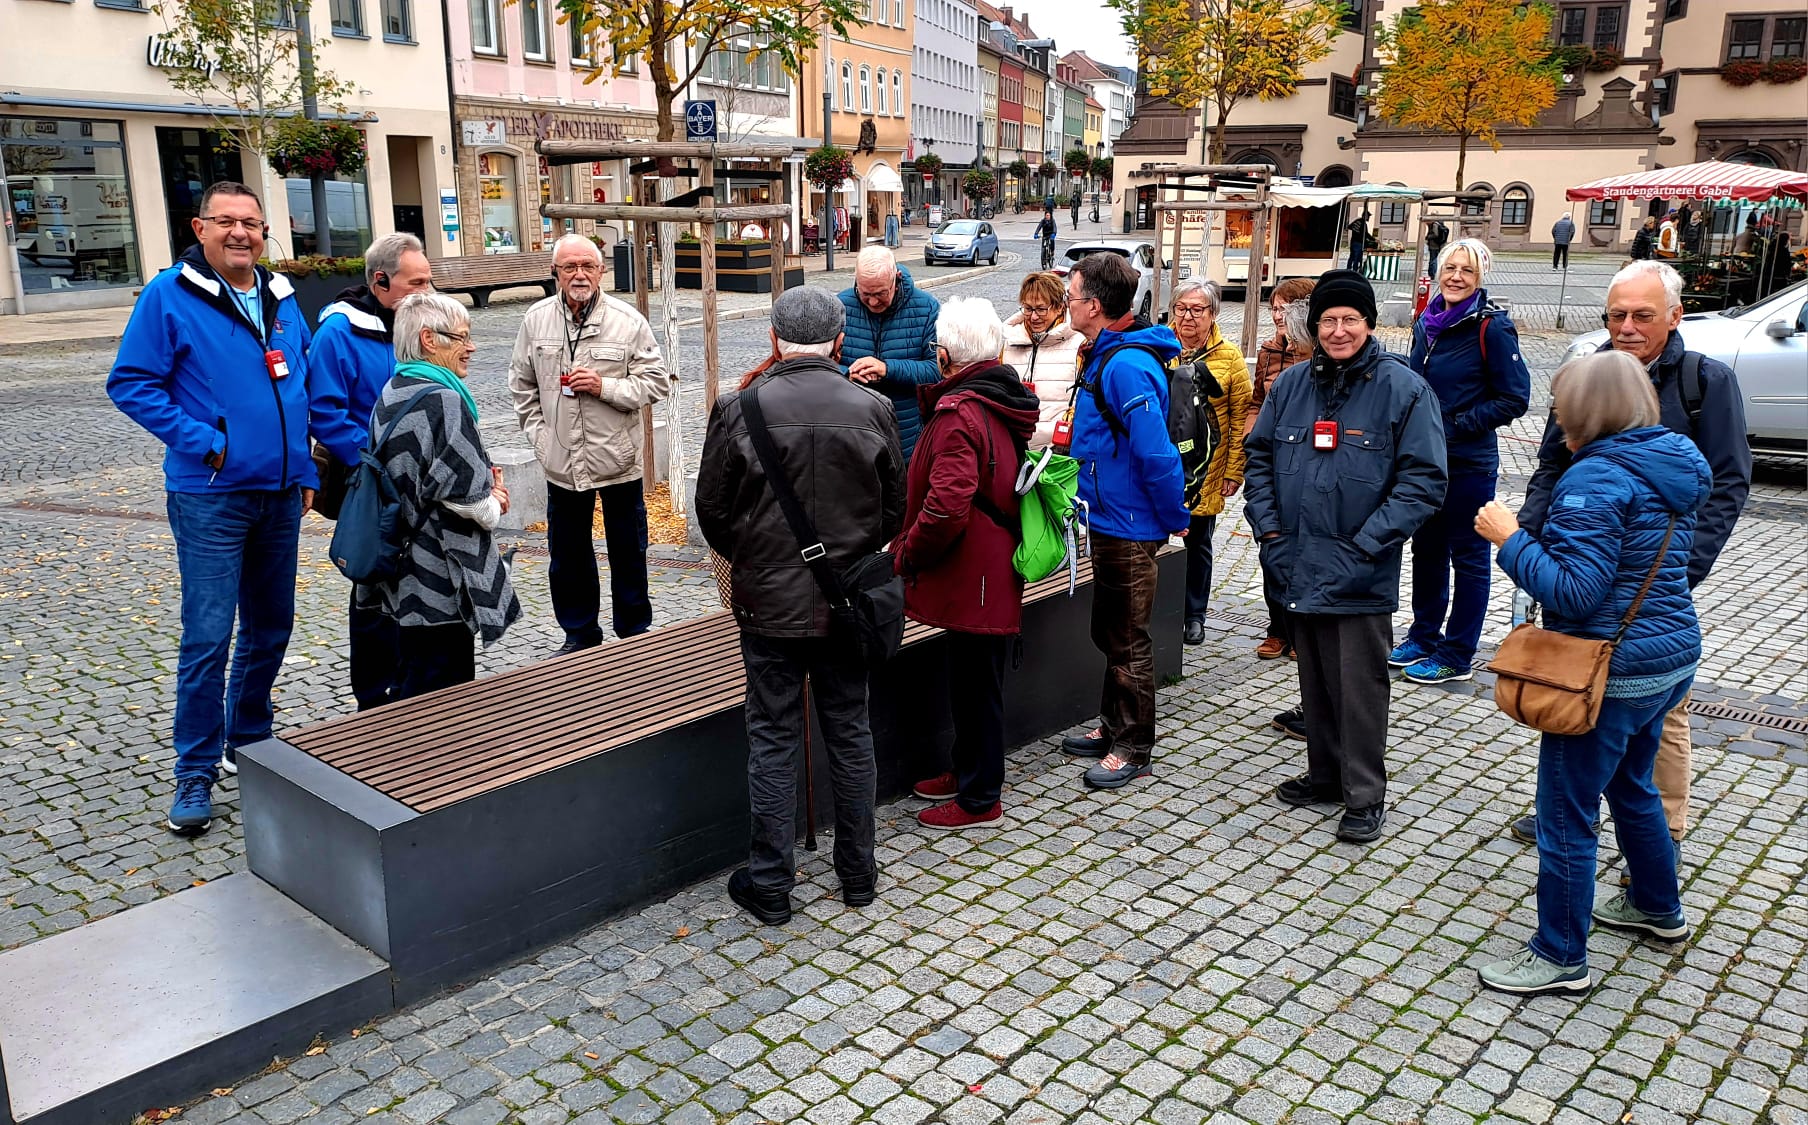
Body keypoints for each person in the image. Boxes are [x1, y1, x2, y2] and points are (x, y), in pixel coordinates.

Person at [1475, 350, 1710, 996]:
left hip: (1609, 673)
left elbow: (1575, 592)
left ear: (1582, 412)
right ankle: (1657, 905)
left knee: (1565, 813)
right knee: (1634, 786)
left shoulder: (1595, 479)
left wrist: (1509, 538)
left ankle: (1560, 953)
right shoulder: (1674, 461)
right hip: (1668, 658)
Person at [1510, 260, 1750, 858]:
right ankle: (1575, 803)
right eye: (1616, 314)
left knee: (1658, 720)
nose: (1627, 327)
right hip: (1585, 571)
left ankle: (1660, 835)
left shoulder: (1704, 381)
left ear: (1675, 316)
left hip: (1652, 588)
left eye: (1642, 315)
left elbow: (1726, 482)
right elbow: (1552, 464)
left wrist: (1683, 569)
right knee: (1577, 691)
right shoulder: (1592, 371)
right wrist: (1533, 539)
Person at [108, 181, 318, 837]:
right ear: (198, 229)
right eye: (225, 221)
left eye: (251, 222)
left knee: (271, 626)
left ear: (264, 232)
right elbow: (131, 383)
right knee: (208, 635)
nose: (240, 233)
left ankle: (248, 738)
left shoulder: (281, 295)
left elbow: (299, 380)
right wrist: (208, 443)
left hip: (279, 493)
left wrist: (305, 465)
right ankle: (194, 770)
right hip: (210, 495)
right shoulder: (168, 296)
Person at [695, 288, 905, 925]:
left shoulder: (738, 408)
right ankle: (858, 874)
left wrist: (758, 559)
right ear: (840, 341)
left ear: (773, 339)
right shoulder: (872, 406)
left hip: (769, 606)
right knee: (850, 732)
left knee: (773, 737)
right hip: (848, 602)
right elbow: (893, 510)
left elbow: (713, 513)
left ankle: (770, 882)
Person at [1243, 269, 1447, 844]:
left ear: (1369, 323)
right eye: (1328, 320)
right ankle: (1326, 775)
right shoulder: (1291, 386)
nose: (1338, 330)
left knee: (1359, 689)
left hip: (1360, 568)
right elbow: (1259, 459)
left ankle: (1364, 794)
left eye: (1349, 319)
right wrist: (1271, 535)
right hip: (1294, 560)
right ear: (1314, 327)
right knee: (1314, 680)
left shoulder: (1404, 390)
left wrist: (1364, 546)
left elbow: (1424, 483)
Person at [897, 298, 1040, 830]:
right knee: (971, 679)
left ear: (944, 355)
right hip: (984, 566)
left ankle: (981, 797)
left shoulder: (961, 413)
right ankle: (966, 770)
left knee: (978, 687)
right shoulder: (991, 396)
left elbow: (947, 506)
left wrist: (907, 552)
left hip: (977, 570)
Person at [1053, 252, 1190, 790]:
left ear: (1094, 305)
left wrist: (1174, 515)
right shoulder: (1107, 353)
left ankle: (1134, 746)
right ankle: (1112, 725)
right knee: (1110, 630)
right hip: (1110, 517)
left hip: (1130, 524)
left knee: (1128, 638)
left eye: (1071, 296)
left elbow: (1156, 453)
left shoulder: (1127, 365)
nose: (1066, 304)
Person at [509, 234, 675, 656]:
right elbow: (522, 386)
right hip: (561, 460)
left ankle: (634, 633)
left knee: (628, 551)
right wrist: (542, 440)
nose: (579, 274)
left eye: (588, 266)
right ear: (555, 272)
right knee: (567, 555)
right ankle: (579, 635)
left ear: (602, 271)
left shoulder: (627, 320)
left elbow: (656, 383)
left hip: (617, 459)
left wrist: (605, 387)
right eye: (570, 267)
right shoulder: (536, 320)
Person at [361, 294, 522, 698]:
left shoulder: (394, 388)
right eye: (462, 337)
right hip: (438, 575)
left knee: (413, 682)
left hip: (402, 572)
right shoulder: (443, 400)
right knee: (445, 697)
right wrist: (496, 501)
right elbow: (471, 503)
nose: (472, 347)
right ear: (429, 339)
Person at [306, 232, 435, 710]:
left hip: (417, 479)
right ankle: (373, 697)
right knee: (373, 581)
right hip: (368, 481)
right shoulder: (338, 332)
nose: (427, 292)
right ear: (380, 281)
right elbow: (325, 412)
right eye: (416, 283)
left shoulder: (417, 320)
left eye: (429, 280)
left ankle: (412, 686)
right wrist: (375, 460)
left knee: (418, 580)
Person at [1394, 239, 1531, 685]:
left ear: (1480, 278)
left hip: (1469, 462)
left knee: (1468, 559)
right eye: (1450, 268)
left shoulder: (1491, 328)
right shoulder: (1427, 321)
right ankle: (1423, 636)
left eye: (1467, 271)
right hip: (1425, 459)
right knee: (1426, 549)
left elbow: (1515, 397)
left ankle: (1457, 654)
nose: (1456, 277)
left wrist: (1456, 425)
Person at [1168, 280, 1251, 645]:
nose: (1188, 317)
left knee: (1198, 543)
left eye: (1197, 309)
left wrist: (1234, 470)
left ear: (1213, 313)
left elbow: (1241, 416)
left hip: (1207, 467)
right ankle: (1158, 609)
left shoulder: (1229, 357)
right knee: (1154, 540)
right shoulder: (1160, 348)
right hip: (1163, 463)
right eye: (1181, 308)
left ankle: (1194, 615)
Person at [1249, 277, 1315, 667]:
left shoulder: (1317, 354)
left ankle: (1302, 629)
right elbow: (1257, 401)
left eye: (1285, 309)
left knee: (1304, 552)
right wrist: (1252, 436)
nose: (1278, 316)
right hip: (1273, 459)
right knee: (1271, 547)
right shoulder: (1270, 351)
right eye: (1274, 308)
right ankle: (1277, 627)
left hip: (1306, 461)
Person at [839, 246, 943, 461]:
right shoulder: (840, 306)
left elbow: (937, 370)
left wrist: (887, 369)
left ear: (896, 279)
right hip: (852, 437)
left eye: (880, 293)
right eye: (865, 293)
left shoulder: (927, 308)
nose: (873, 302)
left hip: (906, 438)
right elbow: (820, 364)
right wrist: (847, 373)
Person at [1001, 271, 1086, 446]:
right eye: (1028, 309)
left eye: (1041, 309)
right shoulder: (1007, 342)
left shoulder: (1080, 344)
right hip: (1014, 447)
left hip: (1059, 450)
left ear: (1059, 307)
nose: (1033, 317)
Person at [1345, 207, 1371, 272]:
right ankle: (1355, 271)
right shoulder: (1363, 224)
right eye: (1368, 216)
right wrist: (1374, 239)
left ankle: (1348, 269)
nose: (1369, 218)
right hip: (1358, 243)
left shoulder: (1357, 221)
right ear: (1365, 216)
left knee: (1352, 256)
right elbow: (1366, 234)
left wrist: (1356, 230)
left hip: (1353, 242)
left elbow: (1349, 226)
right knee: (1357, 258)